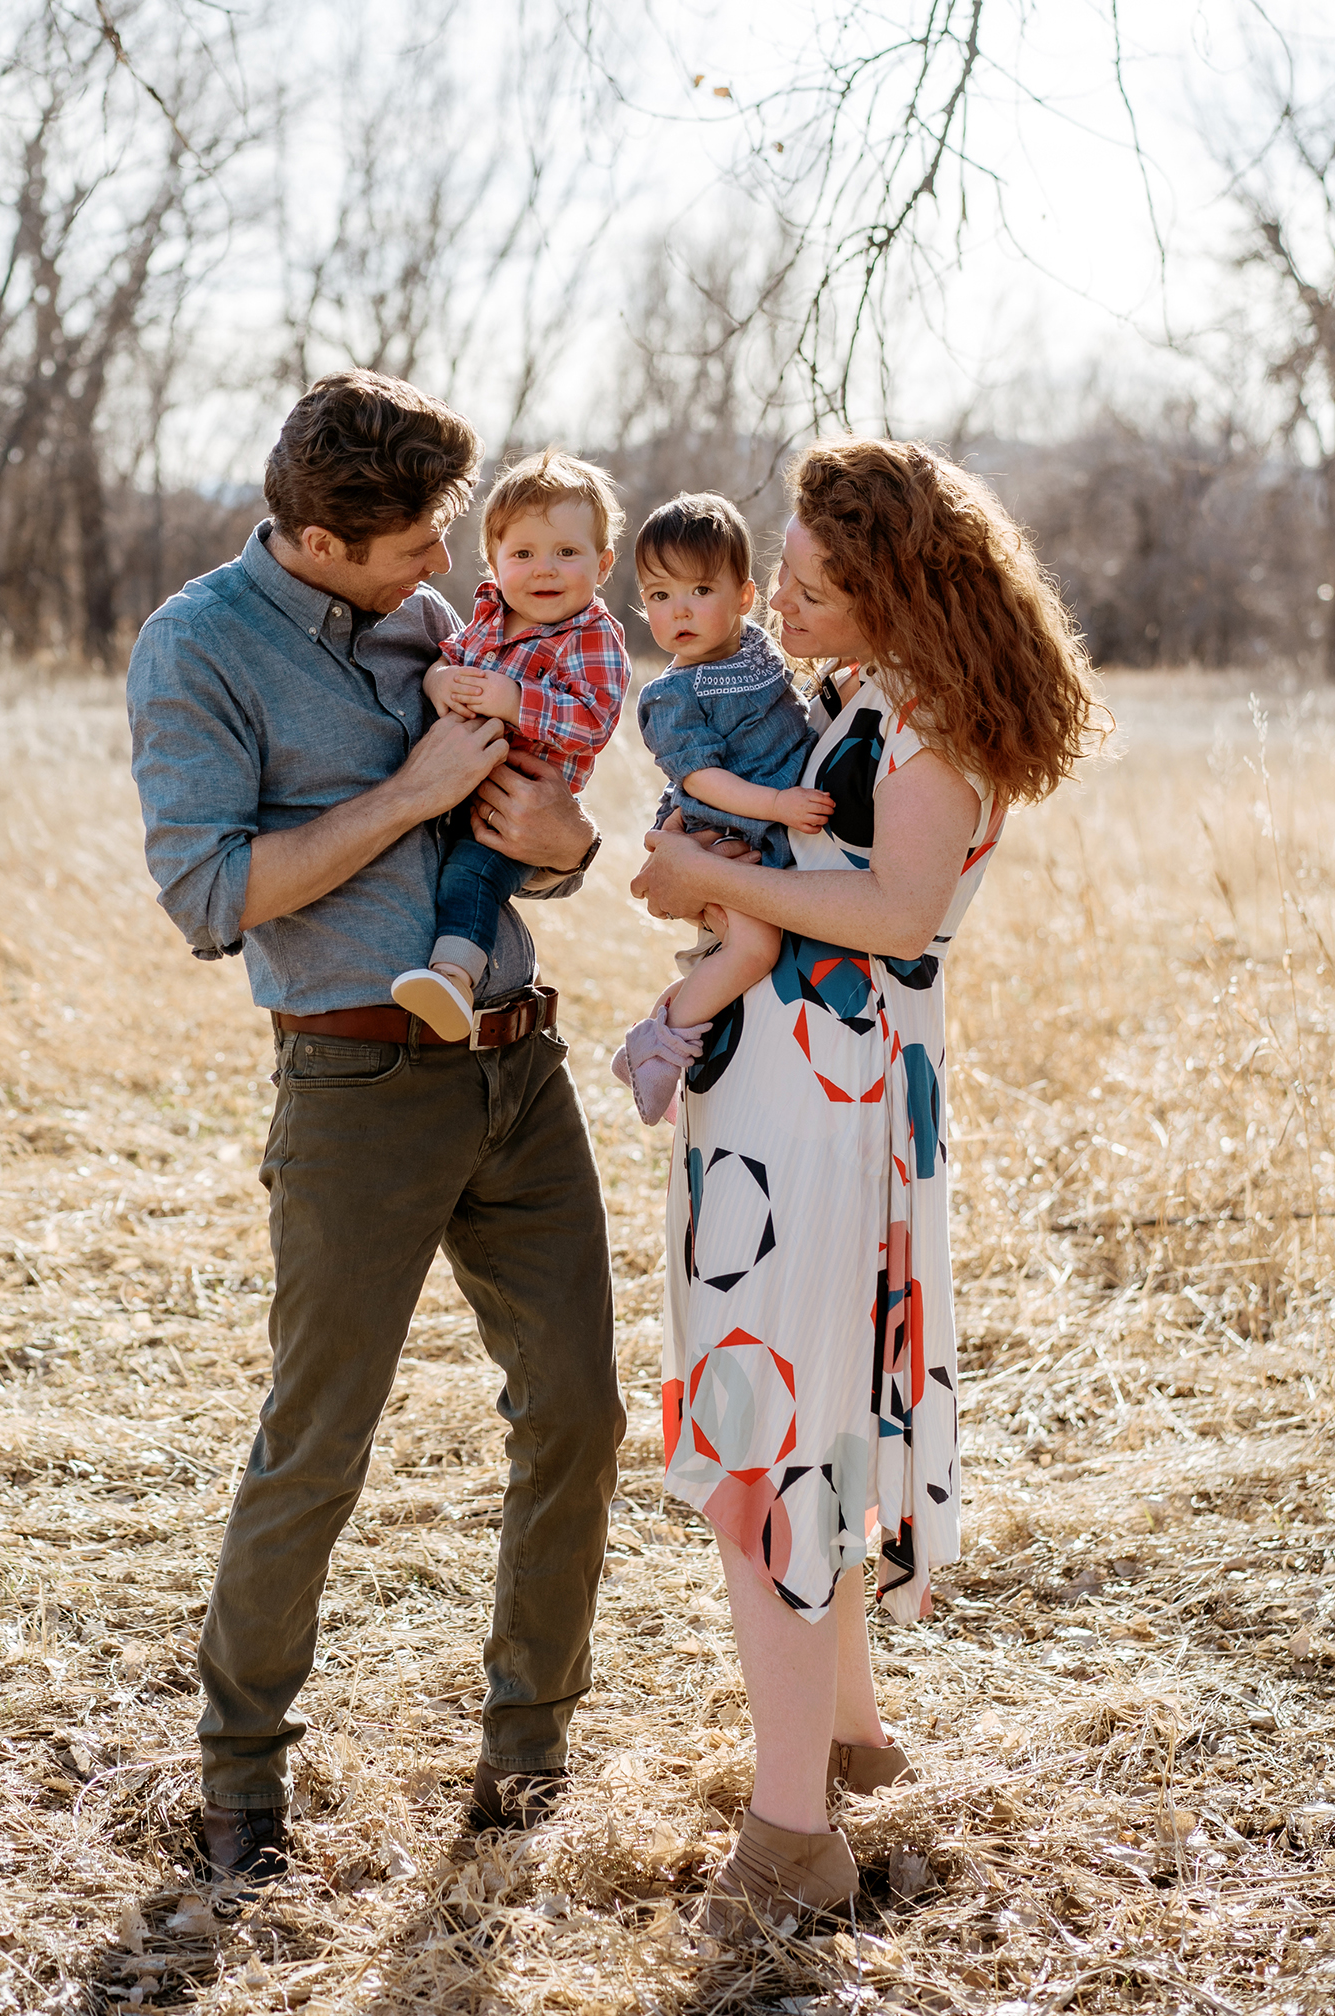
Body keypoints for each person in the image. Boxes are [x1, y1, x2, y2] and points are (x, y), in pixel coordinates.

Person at [127, 369, 627, 1882]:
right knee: (319, 1440)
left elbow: (533, 830)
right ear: (326, 535)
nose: (450, 563)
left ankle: (527, 1756)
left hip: (518, 1069)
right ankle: (239, 1779)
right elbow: (209, 893)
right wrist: (413, 791)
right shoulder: (195, 648)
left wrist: (567, 849)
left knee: (582, 1412)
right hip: (354, 1086)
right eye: (420, 540)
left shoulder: (448, 623)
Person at [630, 438, 1097, 1924]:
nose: (787, 603)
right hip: (791, 1102)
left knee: (773, 1452)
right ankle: (849, 1745)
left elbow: (896, 912)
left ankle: (788, 1842)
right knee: (803, 1432)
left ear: (899, 587)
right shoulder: (862, 699)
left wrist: (703, 886)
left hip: (827, 1125)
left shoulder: (931, 718)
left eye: (821, 586)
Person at [392, 450, 629, 1041]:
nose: (543, 569)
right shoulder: (488, 620)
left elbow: (593, 721)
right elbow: (448, 662)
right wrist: (438, 680)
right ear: (494, 563)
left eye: (566, 553)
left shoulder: (590, 635)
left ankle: (454, 978)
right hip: (456, 792)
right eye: (522, 553)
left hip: (513, 808)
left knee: (471, 876)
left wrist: (514, 700)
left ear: (602, 564)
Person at [614, 493, 830, 1124]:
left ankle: (673, 1028)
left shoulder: (760, 648)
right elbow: (702, 778)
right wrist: (778, 803)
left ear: (744, 595)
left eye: (699, 590)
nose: (677, 611)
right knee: (754, 949)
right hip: (724, 827)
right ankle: (657, 1049)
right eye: (658, 595)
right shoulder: (671, 694)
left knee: (742, 955)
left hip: (772, 826)